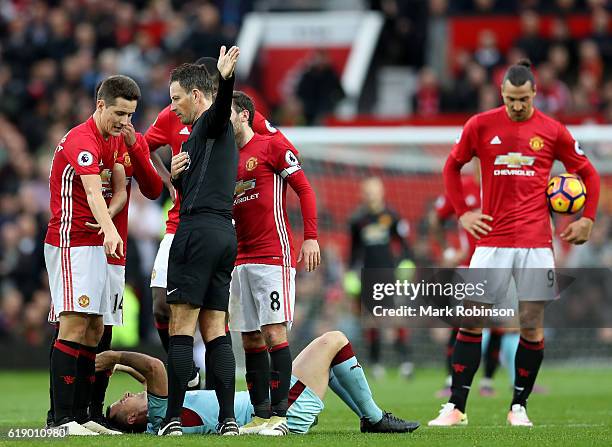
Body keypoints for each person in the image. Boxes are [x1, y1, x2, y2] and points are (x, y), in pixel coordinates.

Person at [429, 59, 600, 427]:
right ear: (501, 94)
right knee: (472, 321)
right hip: (491, 241)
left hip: (537, 244)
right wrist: (462, 213)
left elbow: (588, 172)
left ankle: (518, 407)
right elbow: (451, 166)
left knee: (531, 325)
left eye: (523, 99)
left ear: (535, 93)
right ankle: (456, 407)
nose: (517, 106)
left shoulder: (553, 131)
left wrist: (587, 218)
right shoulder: (480, 124)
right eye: (510, 99)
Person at [45, 83, 163, 434]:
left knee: (97, 329)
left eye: (130, 114)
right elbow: (94, 192)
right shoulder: (82, 140)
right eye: (119, 113)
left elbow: (141, 188)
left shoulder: (119, 139)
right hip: (74, 242)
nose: (125, 120)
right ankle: (61, 419)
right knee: (74, 325)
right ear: (100, 105)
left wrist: (133, 145)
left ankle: (86, 415)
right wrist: (110, 228)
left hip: (105, 249)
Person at [97, 331, 420, 435]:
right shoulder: (158, 411)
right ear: (131, 418)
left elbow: (150, 378)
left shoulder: (161, 417)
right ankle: (375, 418)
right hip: (283, 412)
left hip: (275, 404)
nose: (126, 395)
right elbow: (154, 367)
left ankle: (370, 418)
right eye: (122, 401)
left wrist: (124, 368)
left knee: (332, 362)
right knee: (335, 340)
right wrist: (113, 356)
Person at [228, 91, 320, 436]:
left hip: (271, 255)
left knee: (273, 332)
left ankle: (282, 415)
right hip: (239, 259)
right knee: (249, 338)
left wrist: (310, 236)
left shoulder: (271, 147)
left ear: (243, 116)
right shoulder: (226, 158)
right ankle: (260, 415)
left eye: (228, 114)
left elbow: (305, 190)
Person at [159, 45, 240, 436]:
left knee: (181, 327)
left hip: (196, 233)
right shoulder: (195, 141)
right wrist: (176, 176)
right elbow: (192, 189)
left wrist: (225, 80)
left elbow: (222, 107)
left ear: (196, 95)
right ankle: (227, 421)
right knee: (215, 329)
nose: (172, 107)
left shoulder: (211, 120)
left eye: (176, 99)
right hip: (224, 234)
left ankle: (172, 419)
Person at [346, 177, 414, 379]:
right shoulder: (358, 220)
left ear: (382, 192)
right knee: (372, 321)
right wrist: (350, 272)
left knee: (396, 320)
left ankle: (405, 362)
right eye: (367, 191)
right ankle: (376, 364)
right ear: (362, 194)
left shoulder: (392, 217)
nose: (371, 195)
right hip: (368, 275)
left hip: (389, 274)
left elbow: (404, 245)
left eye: (374, 191)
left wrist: (406, 262)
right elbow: (353, 251)